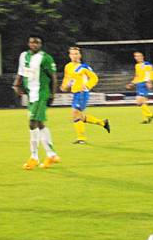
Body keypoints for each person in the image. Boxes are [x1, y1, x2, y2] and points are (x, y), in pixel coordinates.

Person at [12, 35, 61, 170]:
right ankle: (51, 154)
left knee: (32, 122)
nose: (34, 45)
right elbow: (21, 72)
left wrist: (53, 94)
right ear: (28, 44)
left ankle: (34, 157)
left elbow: (53, 77)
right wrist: (17, 84)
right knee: (39, 124)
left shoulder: (45, 58)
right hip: (31, 93)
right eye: (32, 42)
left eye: (37, 43)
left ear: (40, 44)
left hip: (41, 93)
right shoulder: (23, 56)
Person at [61, 46, 110, 144]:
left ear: (79, 55)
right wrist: (64, 86)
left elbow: (94, 78)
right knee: (78, 116)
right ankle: (103, 123)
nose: (74, 56)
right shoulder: (68, 66)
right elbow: (67, 78)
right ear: (69, 55)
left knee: (75, 114)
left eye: (76, 54)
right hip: (75, 93)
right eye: (72, 54)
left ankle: (81, 138)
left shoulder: (84, 67)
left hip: (82, 93)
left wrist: (87, 85)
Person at [126, 51, 153, 124]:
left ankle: (150, 114)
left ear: (142, 57)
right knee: (143, 103)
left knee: (139, 102)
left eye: (139, 56)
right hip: (139, 84)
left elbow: (152, 73)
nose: (137, 57)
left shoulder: (147, 64)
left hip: (144, 84)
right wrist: (132, 83)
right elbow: (137, 76)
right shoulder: (137, 66)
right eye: (136, 56)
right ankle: (146, 119)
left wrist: (149, 81)